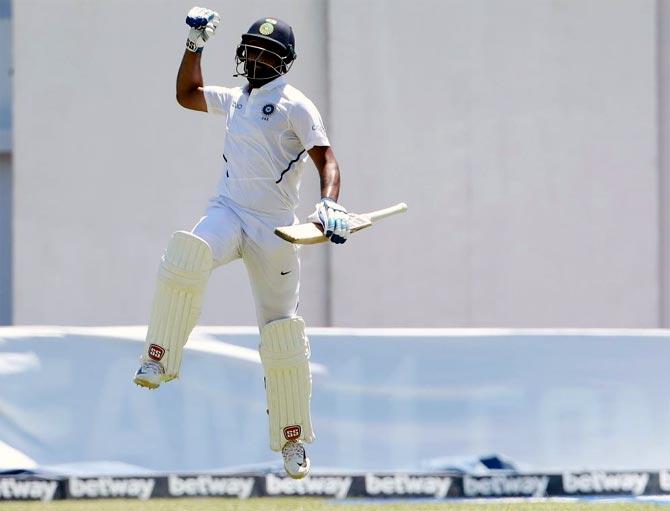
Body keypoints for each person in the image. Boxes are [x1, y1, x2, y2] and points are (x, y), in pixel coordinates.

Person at [131, 7, 350, 479]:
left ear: (283, 62)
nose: (252, 57)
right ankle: (159, 358)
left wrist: (330, 204)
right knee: (187, 251)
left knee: (281, 332)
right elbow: (186, 95)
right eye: (250, 48)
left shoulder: (295, 104)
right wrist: (195, 45)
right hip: (229, 212)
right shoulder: (236, 98)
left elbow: (327, 159)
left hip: (275, 230)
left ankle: (292, 440)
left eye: (265, 53)